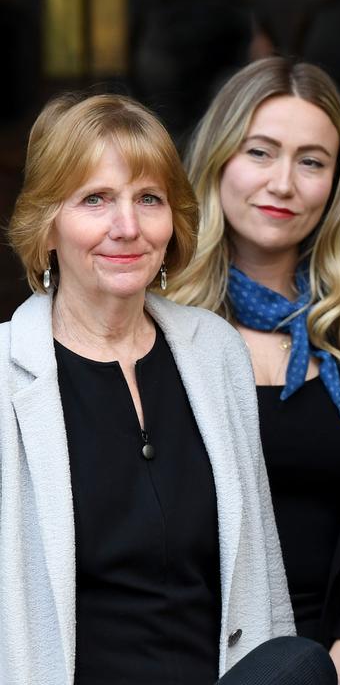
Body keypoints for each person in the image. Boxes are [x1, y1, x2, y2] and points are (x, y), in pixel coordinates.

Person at [0, 93, 293, 683]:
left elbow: (260, 571)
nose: (127, 227)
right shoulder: (6, 373)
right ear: (46, 225)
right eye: (95, 200)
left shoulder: (216, 353)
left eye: (149, 199)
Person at [169, 58, 340, 684]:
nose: (283, 183)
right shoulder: (158, 325)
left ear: (336, 183)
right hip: (187, 655)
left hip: (338, 660)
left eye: (311, 161)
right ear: (218, 160)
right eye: (260, 152)